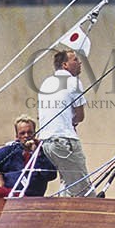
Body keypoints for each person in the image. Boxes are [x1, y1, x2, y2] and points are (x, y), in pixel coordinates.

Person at [38, 49, 94, 195]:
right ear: (65, 65)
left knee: (67, 182)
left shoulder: (46, 83)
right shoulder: (73, 82)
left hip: (47, 143)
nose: (79, 63)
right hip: (64, 140)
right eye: (75, 60)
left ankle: (64, 207)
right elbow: (80, 116)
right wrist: (73, 122)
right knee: (82, 186)